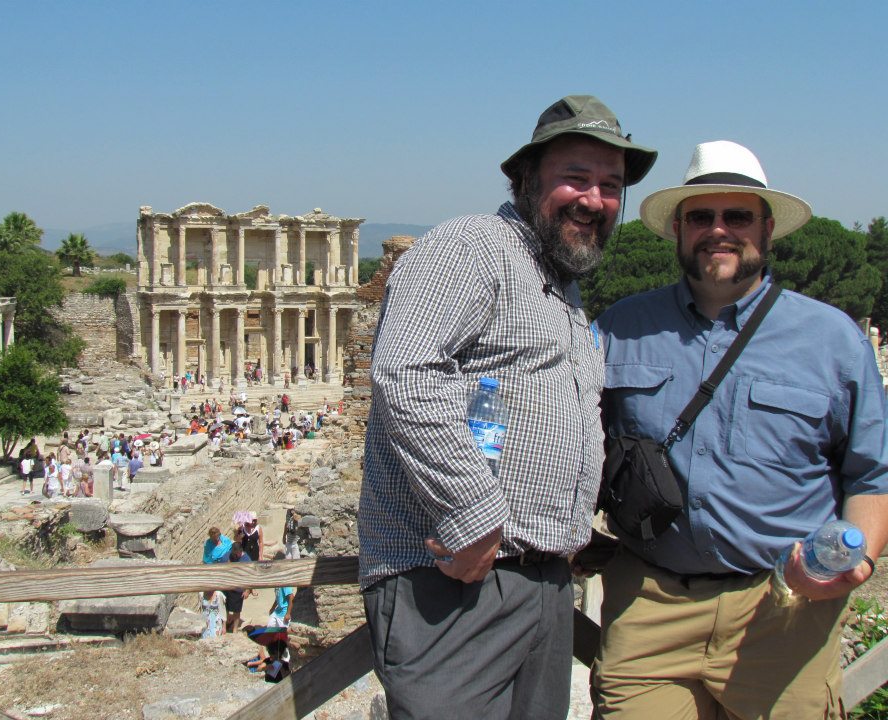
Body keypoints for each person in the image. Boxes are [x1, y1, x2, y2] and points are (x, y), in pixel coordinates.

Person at [357, 95, 657, 719]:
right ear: (525, 179)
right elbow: (406, 371)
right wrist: (475, 515)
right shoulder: (472, 248)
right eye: (575, 177)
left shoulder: (560, 287)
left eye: (610, 185)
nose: (595, 199)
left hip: (542, 584)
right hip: (454, 580)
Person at [590, 140, 888, 719]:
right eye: (701, 216)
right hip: (649, 603)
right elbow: (570, 447)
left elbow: (872, 477)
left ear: (767, 229)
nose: (718, 230)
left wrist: (860, 560)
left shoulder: (833, 341)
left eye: (737, 216)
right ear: (678, 229)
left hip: (784, 607)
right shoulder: (619, 329)